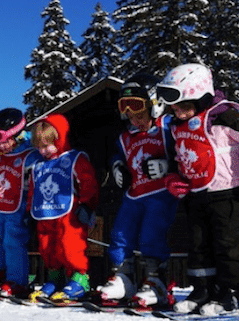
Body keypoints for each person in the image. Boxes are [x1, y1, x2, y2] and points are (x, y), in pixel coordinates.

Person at [156, 63, 239, 315]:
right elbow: (180, 156)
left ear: (201, 98)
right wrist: (174, 177)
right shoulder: (177, 124)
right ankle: (203, 291)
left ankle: (234, 294)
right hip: (198, 194)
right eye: (174, 107)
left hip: (230, 193)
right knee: (198, 246)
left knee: (228, 245)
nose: (178, 111)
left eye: (184, 105)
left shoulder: (222, 116)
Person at [95, 75, 178, 308]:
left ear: (154, 106)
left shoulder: (166, 127)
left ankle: (156, 282)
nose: (135, 119)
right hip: (134, 195)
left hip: (160, 193)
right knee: (120, 234)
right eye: (130, 115)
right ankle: (123, 278)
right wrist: (117, 166)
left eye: (140, 114)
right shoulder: (125, 137)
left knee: (151, 235)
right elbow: (118, 156)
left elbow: (185, 152)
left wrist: (168, 166)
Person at [26, 114, 100, 302]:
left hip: (69, 213)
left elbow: (88, 181)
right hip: (44, 213)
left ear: (60, 138)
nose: (43, 151)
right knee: (47, 245)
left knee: (70, 244)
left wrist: (87, 204)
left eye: (47, 145)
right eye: (39, 146)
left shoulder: (73, 159)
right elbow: (33, 190)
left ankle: (79, 278)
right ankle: (54, 278)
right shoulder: (39, 166)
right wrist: (28, 211)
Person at [0, 108, 42, 297]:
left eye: (2, 140)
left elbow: (37, 180)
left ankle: (17, 280)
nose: (0, 146)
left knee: (12, 240)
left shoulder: (31, 154)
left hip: (19, 206)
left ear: (17, 134)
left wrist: (32, 209)